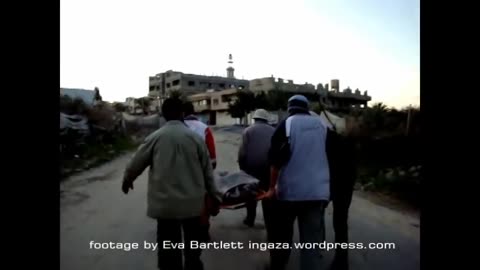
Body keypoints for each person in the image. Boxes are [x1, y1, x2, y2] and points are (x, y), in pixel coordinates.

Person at [121, 97, 219, 270]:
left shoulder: (155, 137)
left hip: (166, 207)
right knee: (192, 250)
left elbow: (136, 163)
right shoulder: (195, 139)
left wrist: (127, 180)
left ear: (164, 115)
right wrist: (214, 196)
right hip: (193, 206)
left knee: (168, 253)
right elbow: (208, 173)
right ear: (182, 113)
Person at [265, 95, 330, 270]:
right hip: (317, 193)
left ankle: (278, 266)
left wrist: (272, 188)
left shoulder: (286, 125)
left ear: (289, 108)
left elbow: (275, 162)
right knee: (311, 243)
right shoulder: (323, 126)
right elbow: (333, 159)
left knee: (283, 236)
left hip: (290, 193)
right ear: (307, 108)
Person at [237, 108, 275, 228]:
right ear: (266, 119)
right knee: (267, 193)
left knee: (251, 193)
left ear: (255, 119)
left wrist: (242, 168)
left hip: (251, 168)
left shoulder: (248, 131)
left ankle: (250, 219)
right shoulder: (274, 131)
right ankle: (269, 221)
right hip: (269, 168)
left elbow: (242, 152)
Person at [183, 101, 217, 170]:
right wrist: (213, 161)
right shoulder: (204, 127)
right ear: (193, 111)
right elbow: (211, 146)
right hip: (200, 166)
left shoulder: (178, 127)